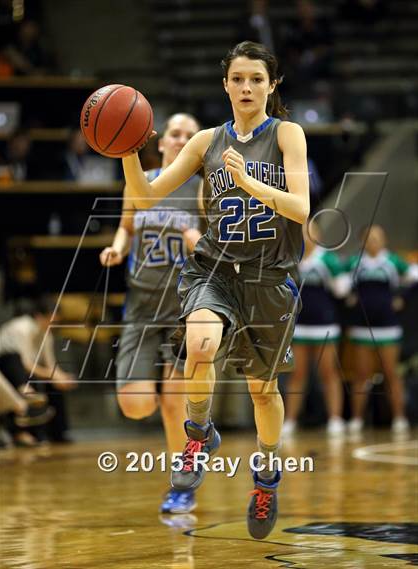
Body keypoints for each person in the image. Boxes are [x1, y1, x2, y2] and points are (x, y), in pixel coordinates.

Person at [121, 41, 309, 540]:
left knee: (262, 393)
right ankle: (198, 436)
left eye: (256, 79)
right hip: (216, 269)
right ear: (225, 84)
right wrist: (128, 154)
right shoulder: (206, 141)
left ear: (272, 85)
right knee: (200, 346)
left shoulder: (288, 134)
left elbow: (302, 208)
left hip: (270, 278)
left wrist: (248, 182)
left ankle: (266, 474)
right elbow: (144, 197)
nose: (246, 88)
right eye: (237, 79)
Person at [100, 113, 202, 514]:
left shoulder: (203, 189)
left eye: (189, 136)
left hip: (184, 306)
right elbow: (127, 226)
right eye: (175, 134)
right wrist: (118, 247)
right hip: (142, 307)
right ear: (160, 142)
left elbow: (221, 250)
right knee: (137, 404)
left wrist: (200, 241)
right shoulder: (139, 183)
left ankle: (183, 483)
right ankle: (189, 434)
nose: (180, 140)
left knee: (175, 401)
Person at [345, 225, 417, 434]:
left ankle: (399, 418)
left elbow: (414, 277)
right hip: (362, 326)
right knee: (361, 374)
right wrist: (351, 297)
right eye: (369, 238)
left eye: (377, 238)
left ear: (384, 240)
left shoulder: (393, 262)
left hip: (387, 326)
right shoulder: (355, 263)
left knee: (391, 373)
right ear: (362, 241)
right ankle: (357, 420)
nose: (373, 242)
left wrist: (402, 298)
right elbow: (342, 286)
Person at [282, 221, 350, 437]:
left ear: (317, 234)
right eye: (301, 232)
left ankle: (335, 419)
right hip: (300, 325)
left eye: (308, 232)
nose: (304, 235)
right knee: (297, 374)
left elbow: (341, 290)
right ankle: (290, 421)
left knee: (329, 373)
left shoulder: (327, 259)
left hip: (325, 325)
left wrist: (343, 277)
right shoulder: (292, 258)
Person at [0, 296, 77, 445]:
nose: (53, 324)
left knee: (54, 385)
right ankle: (21, 430)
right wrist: (53, 376)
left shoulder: (46, 334)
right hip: (7, 369)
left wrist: (63, 378)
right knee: (15, 363)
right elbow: (23, 364)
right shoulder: (21, 328)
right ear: (39, 316)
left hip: (24, 372)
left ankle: (58, 433)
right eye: (51, 319)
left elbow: (50, 365)